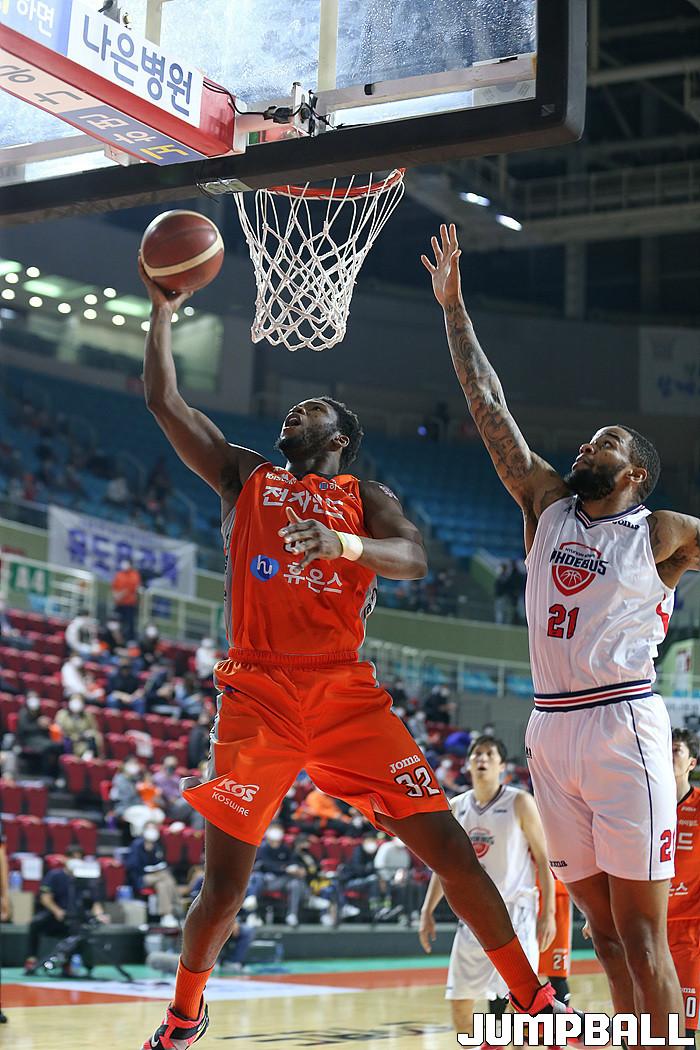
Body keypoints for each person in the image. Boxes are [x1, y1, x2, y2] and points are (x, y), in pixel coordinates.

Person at [138, 259, 574, 1050]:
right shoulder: (247, 476)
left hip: (345, 696)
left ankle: (534, 997)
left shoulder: (365, 498)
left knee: (451, 851)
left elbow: (414, 560)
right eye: (292, 409)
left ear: (338, 438)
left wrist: (343, 544)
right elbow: (165, 404)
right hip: (258, 694)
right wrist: (163, 310)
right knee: (224, 888)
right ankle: (184, 1013)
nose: (292, 414)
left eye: (309, 411)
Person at [424, 222, 700, 1044]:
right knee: (604, 937)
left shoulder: (660, 532)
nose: (587, 444)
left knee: (643, 935)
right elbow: (489, 406)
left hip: (623, 724)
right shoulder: (546, 505)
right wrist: (453, 308)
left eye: (605, 442)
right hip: (549, 729)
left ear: (635, 473)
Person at [419, 735, 555, 1037]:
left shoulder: (520, 802)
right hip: (473, 917)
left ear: (502, 766)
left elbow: (544, 858)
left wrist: (549, 913)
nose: (481, 759)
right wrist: (427, 910)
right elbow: (445, 867)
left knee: (522, 1006)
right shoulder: (456, 807)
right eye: (476, 754)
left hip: (515, 914)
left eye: (489, 754)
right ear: (467, 764)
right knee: (459, 1004)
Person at [24, 846, 108, 974]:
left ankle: (68, 963)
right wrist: (57, 911)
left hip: (77, 918)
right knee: (35, 924)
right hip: (57, 916)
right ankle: (31, 959)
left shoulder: (87, 878)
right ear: (65, 859)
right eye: (72, 857)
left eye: (79, 858)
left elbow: (94, 902)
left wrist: (100, 915)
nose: (75, 861)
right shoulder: (55, 875)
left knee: (80, 931)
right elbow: (45, 897)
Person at [669, 729, 700, 1045]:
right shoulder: (644, 804)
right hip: (644, 926)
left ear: (692, 762)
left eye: (676, 749)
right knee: (635, 1022)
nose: (668, 754)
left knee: (683, 1028)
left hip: (689, 930)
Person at [244, 822, 306, 928]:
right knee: (257, 878)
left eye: (279, 829)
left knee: (296, 883)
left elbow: (292, 861)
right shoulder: (263, 848)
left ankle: (292, 915)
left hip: (283, 881)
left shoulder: (285, 848)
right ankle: (252, 912)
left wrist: (298, 868)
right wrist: (284, 869)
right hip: (266, 880)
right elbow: (266, 865)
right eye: (274, 829)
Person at [126, 822, 182, 927]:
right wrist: (147, 869)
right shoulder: (137, 844)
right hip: (141, 877)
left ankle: (167, 915)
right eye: (149, 828)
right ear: (144, 831)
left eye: (154, 829)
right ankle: (177, 907)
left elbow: (161, 862)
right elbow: (131, 865)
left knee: (163, 885)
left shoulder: (157, 845)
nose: (152, 831)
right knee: (166, 876)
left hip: (157, 877)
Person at [111, 559, 141, 641]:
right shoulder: (119, 574)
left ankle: (129, 639)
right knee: (116, 620)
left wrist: (120, 595)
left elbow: (131, 587)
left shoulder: (134, 575)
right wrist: (115, 594)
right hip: (119, 603)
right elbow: (114, 585)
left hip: (129, 604)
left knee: (129, 622)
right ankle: (115, 637)